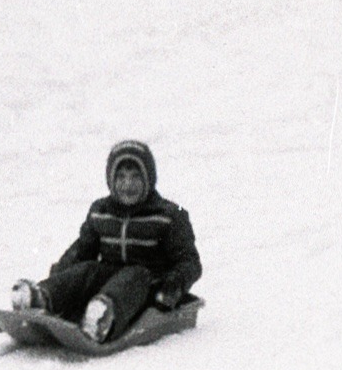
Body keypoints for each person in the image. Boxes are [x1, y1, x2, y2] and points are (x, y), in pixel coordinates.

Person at [11, 140, 202, 342]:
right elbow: (82, 251)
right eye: (121, 177)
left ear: (149, 179)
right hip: (108, 281)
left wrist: (173, 285)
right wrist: (62, 275)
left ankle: (102, 317)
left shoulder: (168, 216)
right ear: (110, 179)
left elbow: (189, 262)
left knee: (135, 274)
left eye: (136, 177)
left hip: (148, 289)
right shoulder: (101, 212)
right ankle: (41, 297)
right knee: (89, 270)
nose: (128, 185)